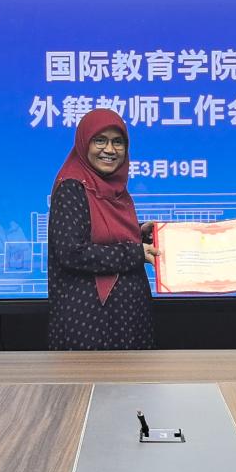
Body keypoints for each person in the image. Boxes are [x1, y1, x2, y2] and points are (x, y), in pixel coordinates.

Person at [47, 108, 159, 350]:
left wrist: (139, 233)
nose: (110, 149)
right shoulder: (72, 187)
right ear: (84, 143)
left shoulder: (115, 190)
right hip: (90, 323)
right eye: (100, 140)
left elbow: (101, 232)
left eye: (118, 142)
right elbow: (72, 252)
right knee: (90, 376)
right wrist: (135, 253)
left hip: (127, 319)